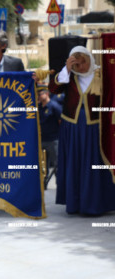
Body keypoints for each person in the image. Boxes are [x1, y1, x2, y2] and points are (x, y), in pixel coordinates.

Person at [49, 45, 115, 215]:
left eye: (83, 63)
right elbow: (53, 89)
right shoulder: (69, 76)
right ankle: (76, 202)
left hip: (96, 128)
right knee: (75, 163)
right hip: (72, 128)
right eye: (76, 64)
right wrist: (67, 69)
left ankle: (96, 203)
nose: (81, 67)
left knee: (94, 165)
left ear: (89, 60)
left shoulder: (100, 74)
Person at [37, 85, 62, 189]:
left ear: (46, 94)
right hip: (42, 140)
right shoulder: (39, 107)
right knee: (43, 164)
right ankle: (44, 183)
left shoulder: (54, 106)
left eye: (40, 94)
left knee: (57, 164)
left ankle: (60, 184)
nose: (38, 96)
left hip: (53, 140)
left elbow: (61, 122)